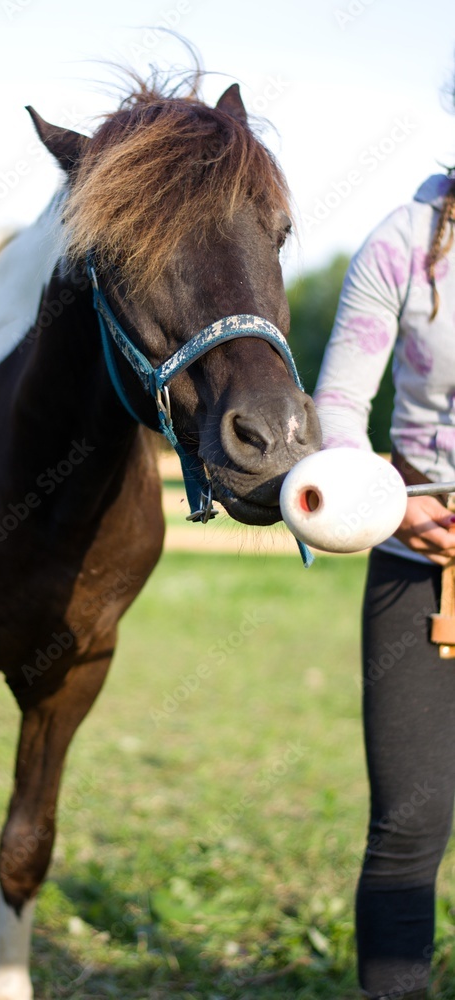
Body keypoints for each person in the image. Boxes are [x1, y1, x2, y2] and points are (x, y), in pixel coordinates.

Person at [314, 138, 455, 998]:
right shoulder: (402, 240)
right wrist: (392, 504)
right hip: (418, 565)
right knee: (409, 823)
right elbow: (337, 403)